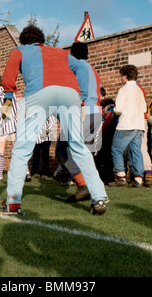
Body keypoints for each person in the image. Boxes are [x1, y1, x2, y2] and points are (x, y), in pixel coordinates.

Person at [0, 25, 109, 216]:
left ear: (23, 40)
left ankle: (13, 205)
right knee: (79, 146)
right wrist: (81, 94)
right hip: (70, 94)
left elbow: (9, 80)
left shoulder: (19, 50)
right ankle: (99, 198)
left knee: (22, 149)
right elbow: (82, 67)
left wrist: (4, 113)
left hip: (39, 94)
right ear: (41, 40)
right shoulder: (61, 53)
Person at [55, 42, 103, 203]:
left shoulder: (76, 68)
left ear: (73, 55)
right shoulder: (94, 71)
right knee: (87, 153)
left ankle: (83, 185)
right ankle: (95, 191)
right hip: (95, 111)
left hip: (82, 110)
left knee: (63, 148)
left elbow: (77, 93)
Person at [110, 65, 146, 188]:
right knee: (136, 151)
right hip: (139, 125)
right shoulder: (139, 90)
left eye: (121, 75)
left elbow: (119, 109)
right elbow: (144, 109)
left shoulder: (123, 90)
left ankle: (121, 177)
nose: (121, 78)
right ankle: (138, 179)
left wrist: (112, 112)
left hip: (126, 124)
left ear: (125, 76)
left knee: (116, 150)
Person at [0, 74, 21, 182]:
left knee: (0, 150)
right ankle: (25, 172)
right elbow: (16, 108)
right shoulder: (10, 92)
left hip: (4, 124)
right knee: (17, 149)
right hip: (15, 123)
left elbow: (4, 113)